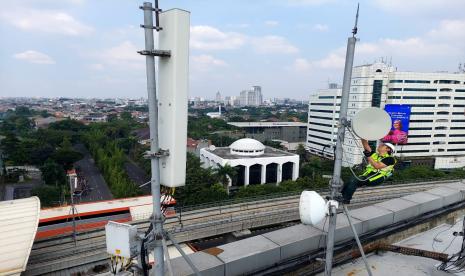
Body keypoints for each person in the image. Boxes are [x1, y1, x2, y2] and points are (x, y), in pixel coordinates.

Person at [339, 139, 396, 204]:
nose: (380, 145)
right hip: (369, 175)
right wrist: (363, 136)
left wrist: (368, 156)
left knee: (354, 180)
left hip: (377, 177)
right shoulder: (375, 155)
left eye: (383, 145)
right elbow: (366, 145)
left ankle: (346, 199)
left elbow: (377, 166)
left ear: (388, 149)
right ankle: (341, 195)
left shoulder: (390, 159)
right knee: (350, 180)